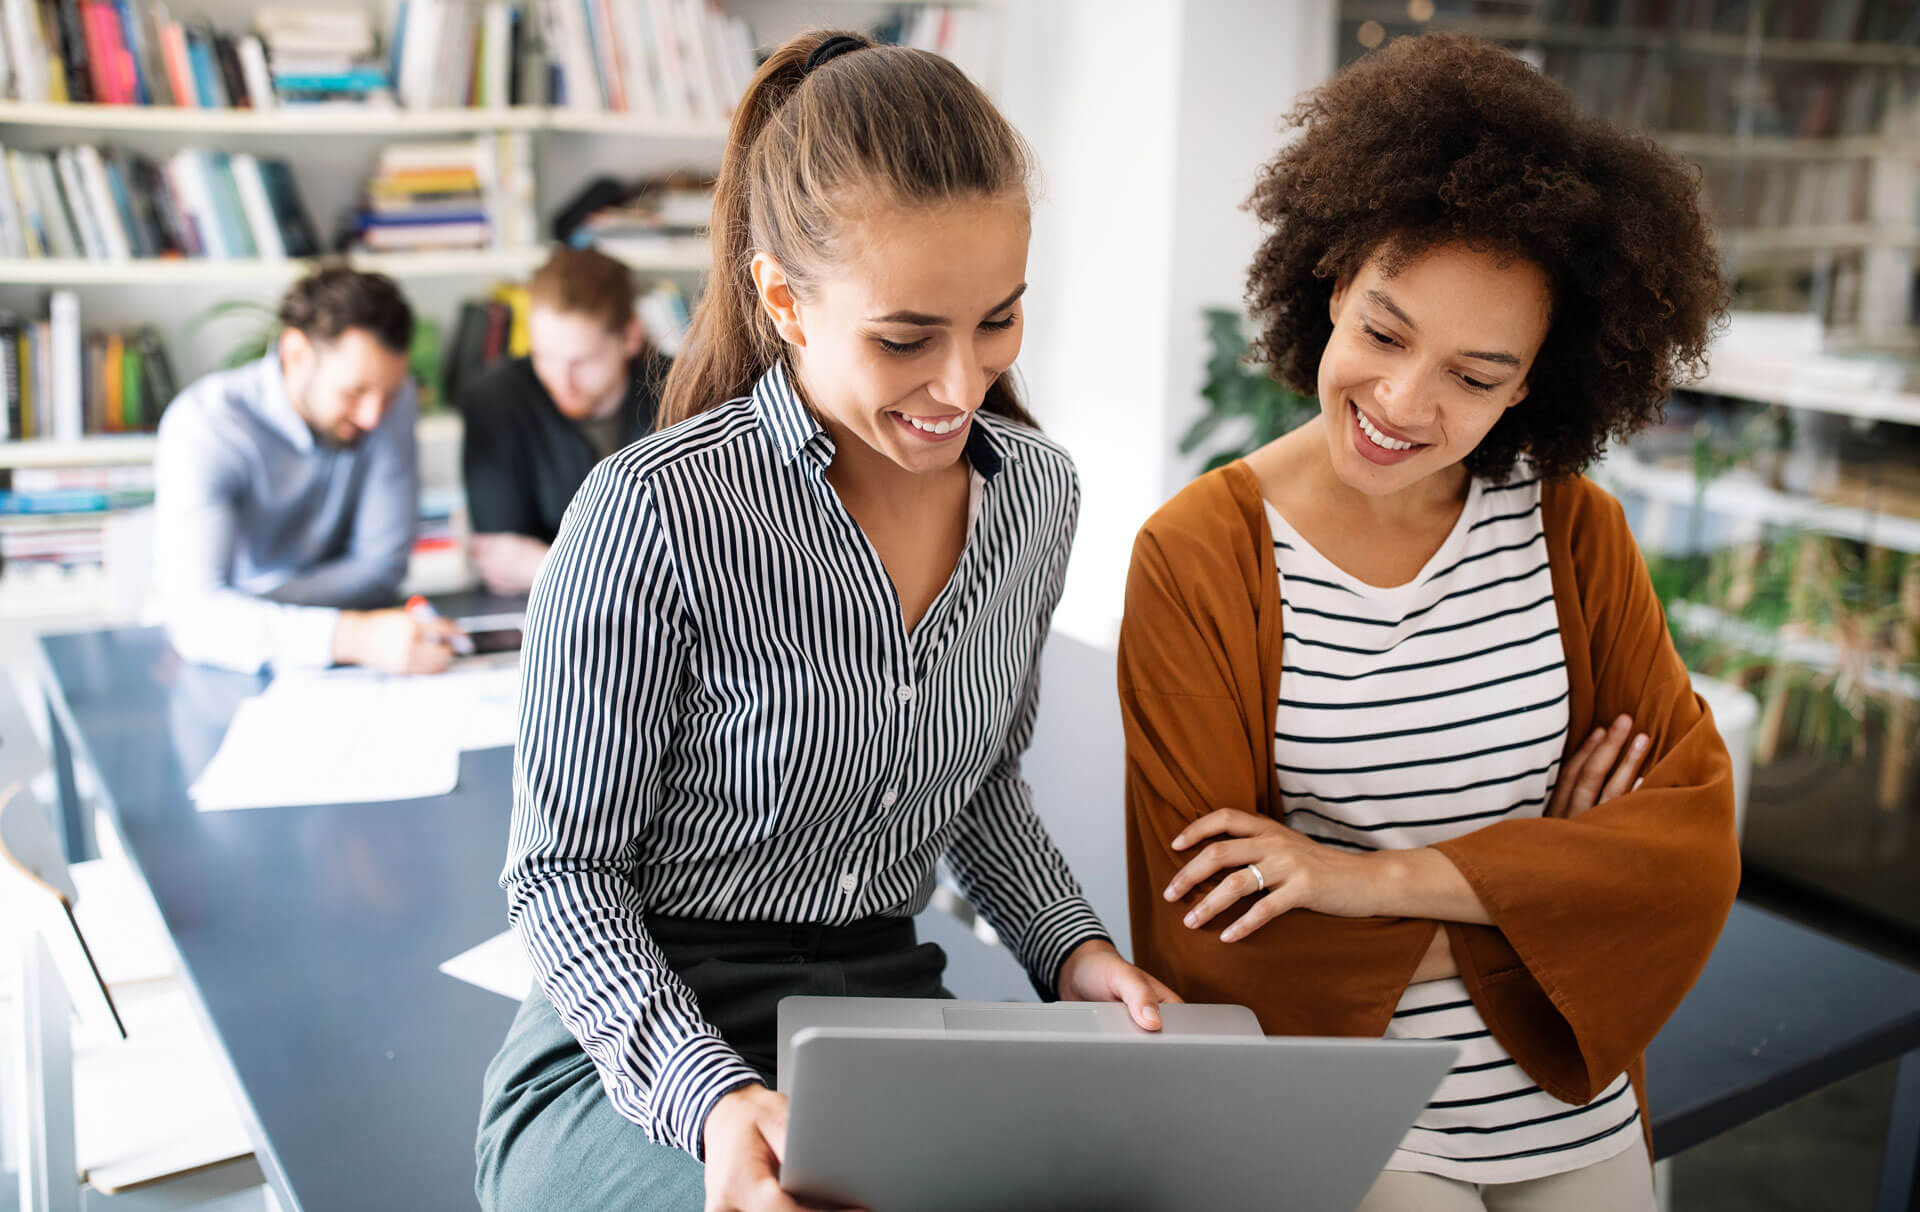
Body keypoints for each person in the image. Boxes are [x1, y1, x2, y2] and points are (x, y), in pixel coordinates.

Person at [476, 30, 1178, 1212]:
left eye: (998, 321)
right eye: (907, 337)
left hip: (876, 1012)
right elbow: (561, 877)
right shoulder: (654, 509)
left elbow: (983, 785)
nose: (963, 386)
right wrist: (711, 1098)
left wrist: (1072, 952)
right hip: (639, 1041)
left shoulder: (1035, 499)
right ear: (784, 299)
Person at [1119, 34, 1739, 1211]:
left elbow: (1690, 849)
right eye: (1385, 332)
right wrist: (1552, 874)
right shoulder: (1199, 558)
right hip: (1340, 1108)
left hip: (1566, 1086)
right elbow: (1212, 922)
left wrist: (1358, 879)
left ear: (1534, 387)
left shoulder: (1573, 531)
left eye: (1476, 373)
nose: (1403, 405)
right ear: (1331, 282)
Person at [154, 266, 459, 676]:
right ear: (296, 354)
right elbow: (196, 616)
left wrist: (247, 609)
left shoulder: (393, 400)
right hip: (232, 670)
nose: (372, 416)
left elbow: (383, 567)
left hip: (349, 659)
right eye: (354, 392)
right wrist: (352, 636)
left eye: (386, 394)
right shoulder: (206, 426)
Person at [458, 246, 672, 595]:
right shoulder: (493, 402)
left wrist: (541, 563)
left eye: (581, 362)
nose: (561, 381)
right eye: (545, 357)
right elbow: (500, 562)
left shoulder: (686, 389)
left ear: (631, 336)